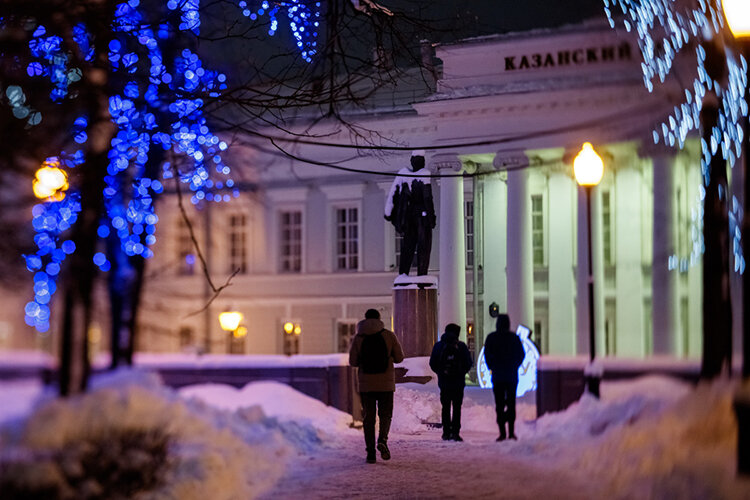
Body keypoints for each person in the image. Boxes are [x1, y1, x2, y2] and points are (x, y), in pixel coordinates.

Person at [349, 308, 405, 463]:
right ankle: (382, 440)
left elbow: (353, 362)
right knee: (385, 414)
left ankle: (370, 453)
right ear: (380, 319)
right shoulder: (388, 335)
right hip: (386, 384)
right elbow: (400, 358)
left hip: (366, 385)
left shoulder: (358, 337)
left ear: (365, 319)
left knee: (369, 418)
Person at [384, 150, 436, 276]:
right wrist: (432, 218)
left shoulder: (403, 175)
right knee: (423, 248)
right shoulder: (424, 175)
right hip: (422, 219)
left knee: (407, 247)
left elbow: (393, 194)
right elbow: (427, 198)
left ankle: (403, 275)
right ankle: (422, 276)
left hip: (408, 218)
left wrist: (389, 213)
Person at [483, 313, 525, 441]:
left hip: (498, 376)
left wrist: (492, 367)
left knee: (499, 404)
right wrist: (514, 366)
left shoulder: (491, 338)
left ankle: (502, 433)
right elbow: (521, 355)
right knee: (511, 403)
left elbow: (487, 355)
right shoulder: (514, 338)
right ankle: (511, 432)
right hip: (511, 376)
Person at [429, 323, 473, 441]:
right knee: (457, 407)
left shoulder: (439, 346)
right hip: (458, 382)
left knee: (446, 407)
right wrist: (461, 372)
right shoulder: (461, 346)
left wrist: (441, 372)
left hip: (444, 382)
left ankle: (446, 432)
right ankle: (455, 432)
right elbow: (469, 363)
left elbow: (432, 363)